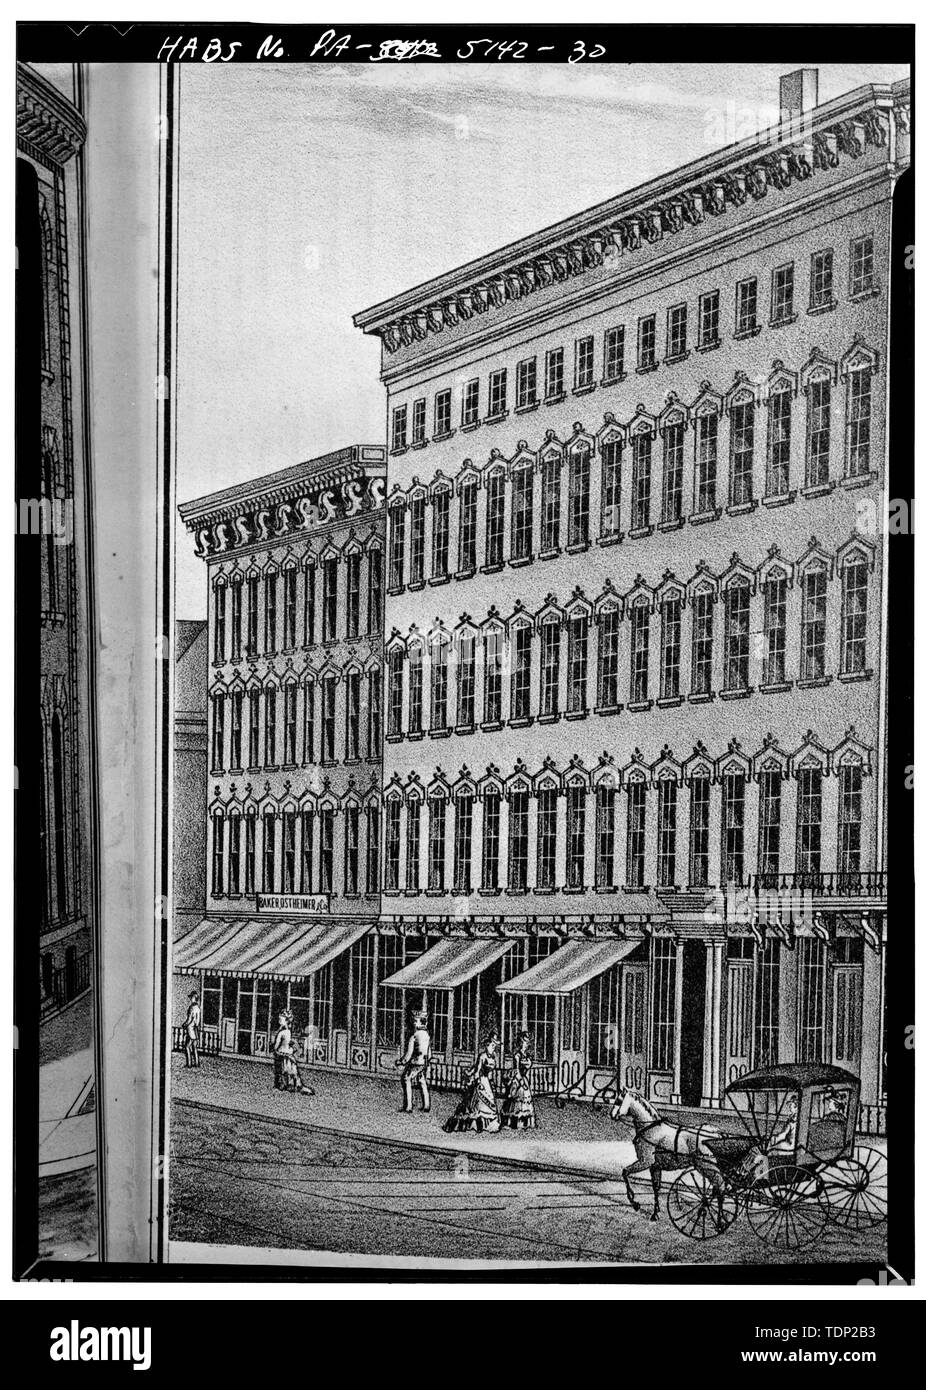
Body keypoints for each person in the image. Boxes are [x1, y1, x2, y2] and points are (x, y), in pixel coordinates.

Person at [445, 1030, 501, 1134]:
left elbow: (489, 1073)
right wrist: (474, 1080)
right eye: (492, 1045)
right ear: (487, 1045)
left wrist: (490, 1082)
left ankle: (487, 1125)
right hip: (480, 1080)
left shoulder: (493, 1058)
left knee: (489, 1103)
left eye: (495, 1046)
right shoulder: (482, 1056)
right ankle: (475, 1124)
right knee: (475, 1105)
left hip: (486, 1081)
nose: (493, 1047)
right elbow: (477, 1070)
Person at [395, 1010, 431, 1113]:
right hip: (423, 1063)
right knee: (422, 1081)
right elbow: (429, 1053)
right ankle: (427, 1105)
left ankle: (409, 1106)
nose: (414, 1023)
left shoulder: (414, 1036)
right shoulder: (426, 1036)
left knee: (406, 1079)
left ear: (421, 1022)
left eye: (416, 1021)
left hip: (415, 1063)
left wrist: (401, 1062)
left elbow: (409, 1054)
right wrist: (426, 1062)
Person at [272, 1010, 314, 1095]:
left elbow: (276, 1046)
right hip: (289, 1055)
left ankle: (284, 1085)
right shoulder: (288, 1032)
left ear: (286, 1021)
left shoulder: (282, 1032)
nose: (279, 1021)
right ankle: (293, 1086)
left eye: (281, 1019)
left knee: (283, 1071)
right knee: (291, 1071)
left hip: (282, 1054)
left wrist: (274, 1048)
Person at [501, 1031, 536, 1130]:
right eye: (524, 1041)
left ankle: (525, 1122)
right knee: (515, 1100)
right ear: (520, 1042)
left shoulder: (527, 1055)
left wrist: (525, 1080)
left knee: (526, 1101)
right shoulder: (517, 1055)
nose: (526, 1044)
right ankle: (513, 1122)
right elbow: (516, 1070)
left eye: (527, 1041)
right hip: (518, 1079)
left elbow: (528, 1067)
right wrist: (521, 1081)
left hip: (524, 1078)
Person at [184, 990, 201, 1069]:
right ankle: (197, 1063)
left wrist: (185, 1024)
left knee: (187, 1046)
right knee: (194, 1047)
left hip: (191, 1028)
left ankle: (189, 1063)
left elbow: (190, 1019)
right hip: (195, 1029)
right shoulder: (198, 1008)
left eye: (191, 997)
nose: (190, 999)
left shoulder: (192, 1008)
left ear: (194, 998)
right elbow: (197, 1021)